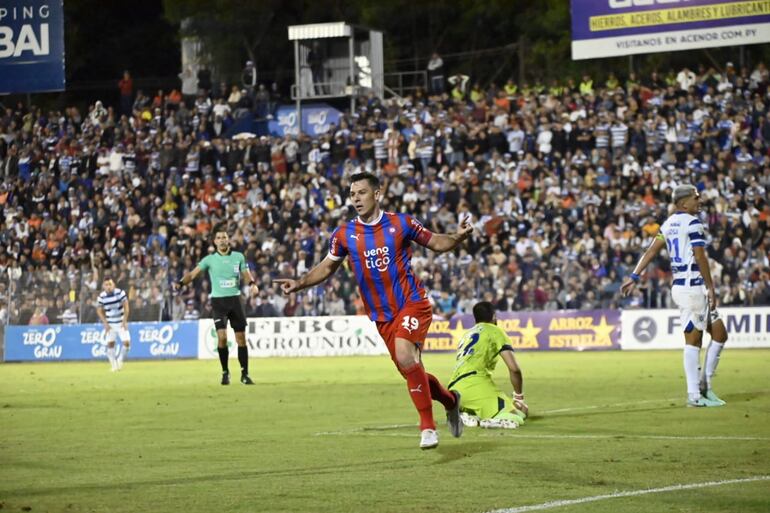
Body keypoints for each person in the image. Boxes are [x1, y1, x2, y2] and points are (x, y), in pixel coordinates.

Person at [274, 172, 471, 449]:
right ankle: (451, 401)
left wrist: (457, 238)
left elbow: (436, 242)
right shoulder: (344, 234)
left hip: (412, 302)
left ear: (377, 194)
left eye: (362, 193)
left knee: (405, 354)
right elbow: (327, 266)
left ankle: (427, 427)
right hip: (382, 316)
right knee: (411, 370)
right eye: (352, 194)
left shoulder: (400, 223)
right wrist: (300, 283)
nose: (356, 199)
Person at [621, 184, 728, 407]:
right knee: (693, 341)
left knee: (719, 334)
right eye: (695, 198)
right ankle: (694, 395)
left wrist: (634, 275)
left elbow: (650, 250)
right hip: (692, 288)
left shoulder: (668, 224)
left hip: (683, 286)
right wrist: (711, 287)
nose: (699, 201)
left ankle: (705, 386)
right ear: (683, 203)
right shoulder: (693, 223)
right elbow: (700, 257)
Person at [179, 223, 259, 385]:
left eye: (224, 237)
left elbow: (246, 273)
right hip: (218, 302)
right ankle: (225, 372)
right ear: (214, 242)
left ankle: (245, 374)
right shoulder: (209, 260)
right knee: (221, 338)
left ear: (229, 240)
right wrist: (180, 283)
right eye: (219, 238)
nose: (222, 240)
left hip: (236, 301)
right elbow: (193, 274)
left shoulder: (238, 257)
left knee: (241, 339)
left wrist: (252, 284)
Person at [448, 301, 528, 429]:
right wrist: (518, 397)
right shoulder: (495, 331)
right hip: (474, 384)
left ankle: (467, 415)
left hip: (453, 390)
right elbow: (514, 369)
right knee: (516, 416)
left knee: (520, 411)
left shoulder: (467, 334)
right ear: (494, 316)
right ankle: (486, 421)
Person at [97, 278, 131, 372]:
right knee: (110, 344)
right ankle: (113, 365)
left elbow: (126, 307)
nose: (108, 287)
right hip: (110, 323)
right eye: (106, 285)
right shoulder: (101, 297)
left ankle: (120, 360)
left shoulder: (120, 293)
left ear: (114, 285)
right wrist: (105, 323)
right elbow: (99, 310)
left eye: (110, 284)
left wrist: (124, 321)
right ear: (103, 286)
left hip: (120, 322)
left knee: (127, 343)